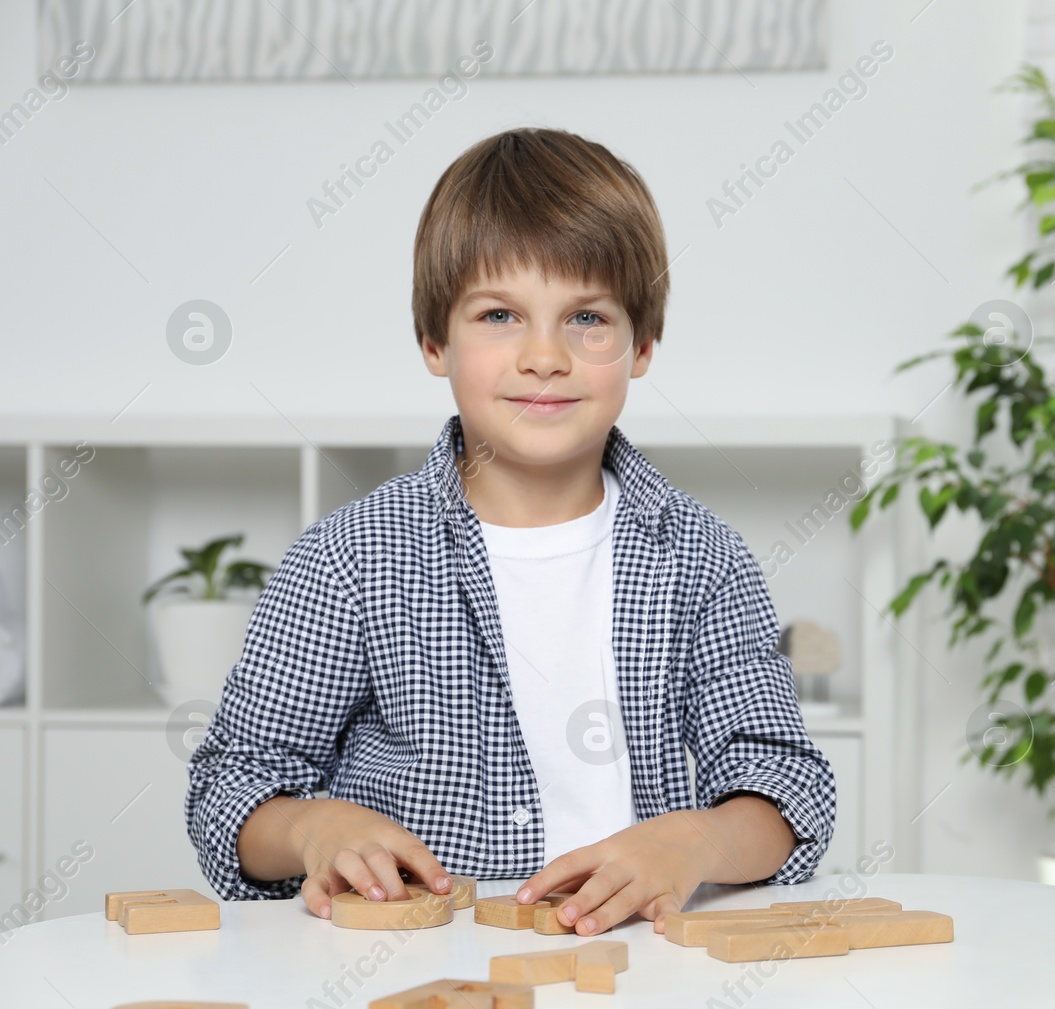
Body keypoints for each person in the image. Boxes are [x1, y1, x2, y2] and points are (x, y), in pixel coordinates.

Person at [185, 127, 837, 937]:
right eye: (499, 314)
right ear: (434, 341)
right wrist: (315, 828)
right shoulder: (349, 559)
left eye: (587, 319)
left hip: (645, 969)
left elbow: (786, 784)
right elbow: (230, 789)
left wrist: (697, 839)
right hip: (413, 975)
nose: (544, 356)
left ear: (642, 345)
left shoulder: (701, 556)